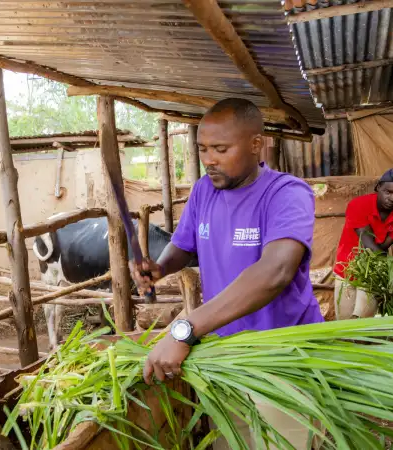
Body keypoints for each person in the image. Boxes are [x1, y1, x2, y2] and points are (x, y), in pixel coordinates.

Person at [130, 98, 323, 450]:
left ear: (255, 144)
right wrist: (160, 267)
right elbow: (185, 246)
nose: (209, 160)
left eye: (220, 148)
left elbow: (275, 271)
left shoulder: (287, 194)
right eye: (203, 149)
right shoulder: (205, 191)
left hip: (282, 359)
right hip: (223, 358)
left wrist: (184, 330)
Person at [332, 168, 393, 319]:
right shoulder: (358, 205)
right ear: (378, 188)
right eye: (388, 192)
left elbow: (381, 248)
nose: (392, 198)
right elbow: (366, 240)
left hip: (373, 275)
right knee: (343, 325)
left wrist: (388, 268)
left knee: (361, 322)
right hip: (346, 269)